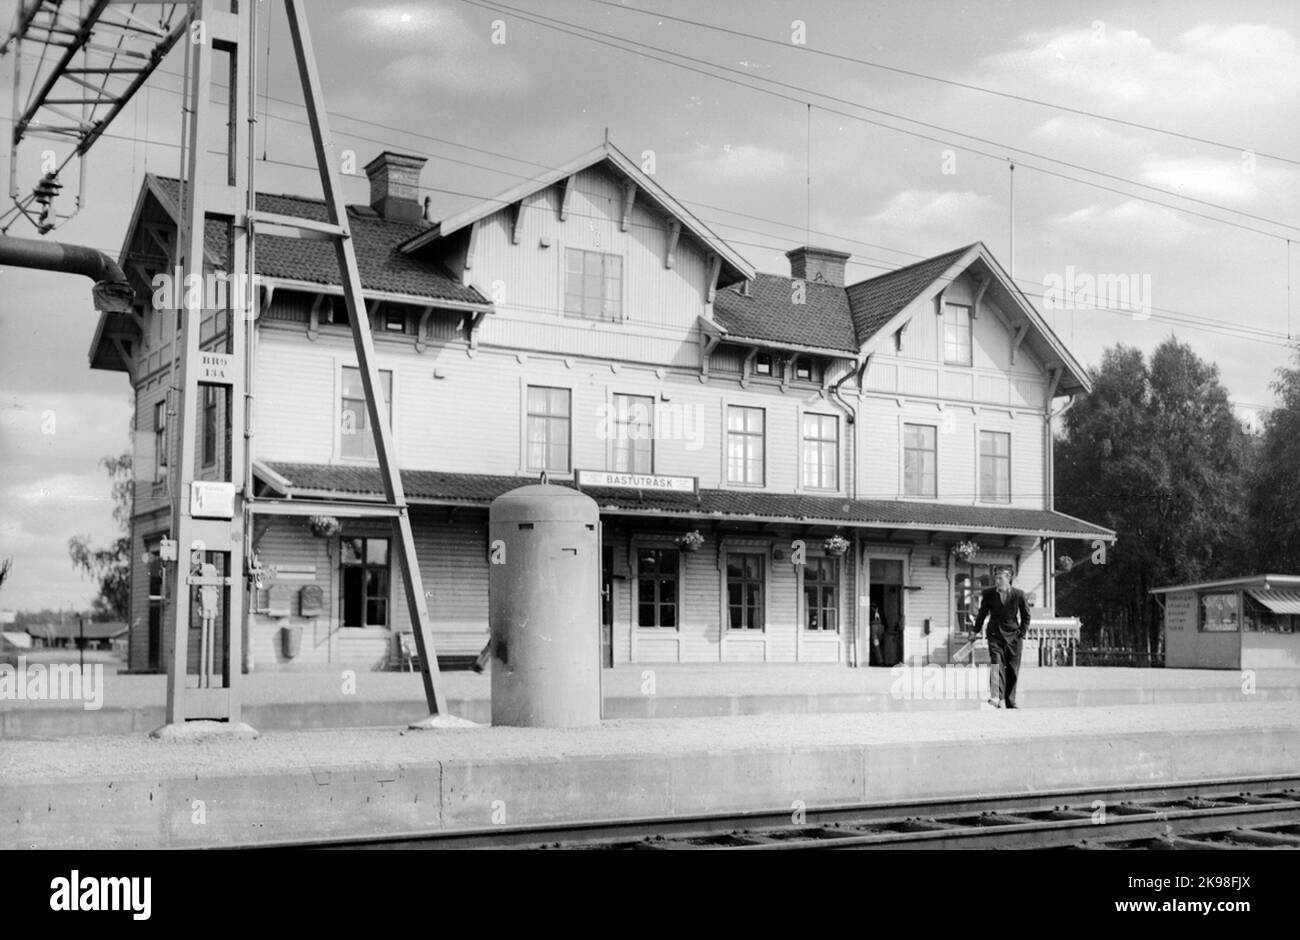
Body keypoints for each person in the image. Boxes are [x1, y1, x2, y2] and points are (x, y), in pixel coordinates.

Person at [971, 566, 1032, 709]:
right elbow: (982, 614)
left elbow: (1026, 616)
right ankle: (996, 698)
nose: (997, 581)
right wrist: (975, 631)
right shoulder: (989, 594)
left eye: (1000, 578)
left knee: (1012, 669)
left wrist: (1021, 634)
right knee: (996, 664)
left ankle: (1010, 701)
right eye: (996, 578)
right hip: (994, 635)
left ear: (1009, 577)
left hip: (1014, 636)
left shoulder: (1019, 594)